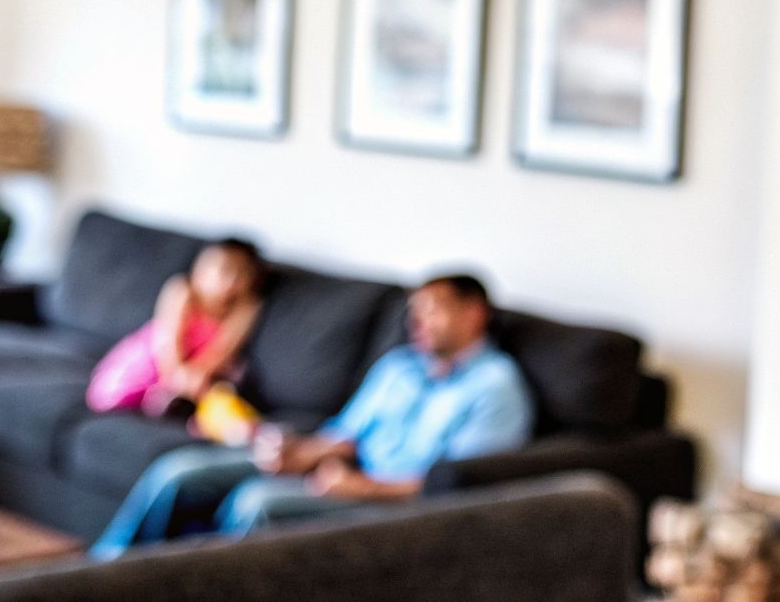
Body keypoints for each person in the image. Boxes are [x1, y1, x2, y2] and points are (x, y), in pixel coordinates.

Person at [91, 273, 533, 556]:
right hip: (342, 468)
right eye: (414, 311)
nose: (417, 322)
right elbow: (348, 433)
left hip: (393, 499)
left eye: (432, 309)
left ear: (474, 313)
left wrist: (362, 487)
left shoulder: (495, 386)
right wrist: (301, 452)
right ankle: (106, 574)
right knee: (181, 472)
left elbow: (462, 484)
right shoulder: (400, 366)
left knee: (257, 503)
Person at [85, 238, 266, 417]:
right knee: (116, 395)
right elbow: (169, 340)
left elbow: (225, 348)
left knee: (224, 392)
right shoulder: (183, 290)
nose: (231, 282)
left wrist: (197, 374)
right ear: (201, 270)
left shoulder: (246, 307)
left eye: (243, 274)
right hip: (158, 357)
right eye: (225, 270)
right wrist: (176, 375)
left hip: (201, 370)